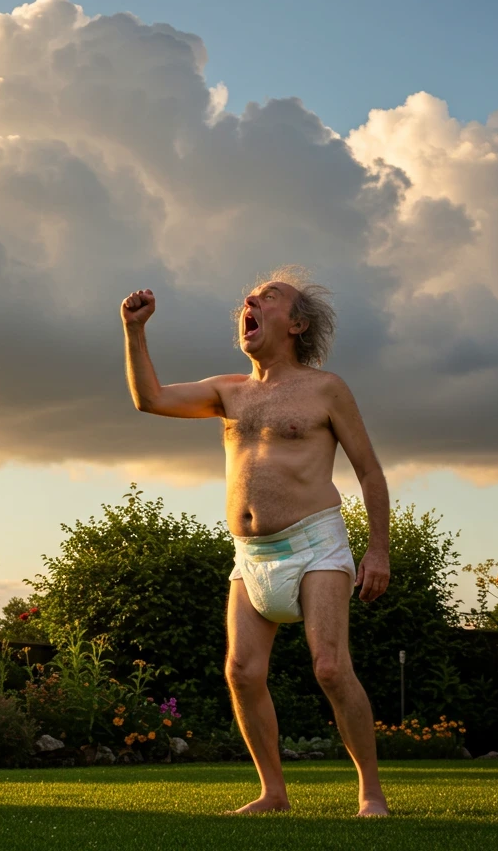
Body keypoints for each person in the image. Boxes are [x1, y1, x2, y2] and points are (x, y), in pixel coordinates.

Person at [120, 267, 390, 817]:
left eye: (270, 297)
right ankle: (273, 793)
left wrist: (378, 549)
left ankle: (370, 792)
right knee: (241, 673)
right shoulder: (229, 391)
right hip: (251, 556)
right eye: (251, 298)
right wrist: (135, 330)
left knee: (330, 667)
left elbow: (369, 471)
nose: (252, 300)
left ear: (297, 325)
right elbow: (150, 398)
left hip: (315, 542)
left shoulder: (326, 389)